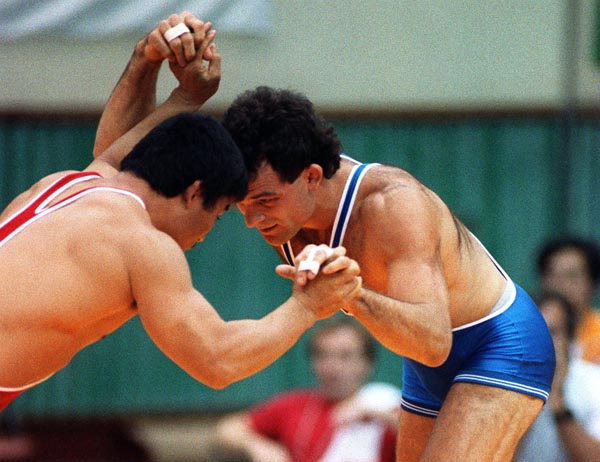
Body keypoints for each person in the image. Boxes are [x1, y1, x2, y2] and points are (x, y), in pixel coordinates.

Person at [96, 24, 555, 462]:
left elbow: (434, 341)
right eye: (243, 204)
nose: (253, 220)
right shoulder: (283, 213)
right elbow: (115, 166)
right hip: (421, 356)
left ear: (312, 176)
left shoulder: (393, 205)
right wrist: (144, 61)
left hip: (498, 343)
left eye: (265, 201)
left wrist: (349, 294)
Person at [0, 17, 362, 413]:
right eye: (222, 212)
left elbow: (117, 148)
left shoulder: (71, 185)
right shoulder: (143, 246)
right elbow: (218, 359)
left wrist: (160, 71)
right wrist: (308, 306)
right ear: (195, 193)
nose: (206, 235)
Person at [213, 316, 400, 462]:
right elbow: (228, 430)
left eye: (345, 356)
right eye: (323, 355)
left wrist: (377, 415)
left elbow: (422, 440)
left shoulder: (383, 402)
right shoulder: (294, 405)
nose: (332, 367)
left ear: (368, 363)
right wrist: (257, 446)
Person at [515, 291, 600, 462]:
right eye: (536, 331)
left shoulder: (594, 382)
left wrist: (558, 403)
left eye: (553, 332)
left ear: (570, 339)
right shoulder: (508, 383)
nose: (543, 340)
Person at [536, 236, 600, 363]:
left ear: (592, 283)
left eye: (572, 276)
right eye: (552, 274)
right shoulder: (528, 330)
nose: (560, 284)